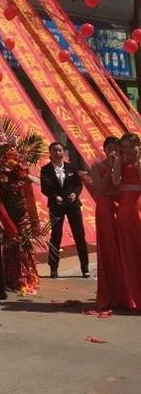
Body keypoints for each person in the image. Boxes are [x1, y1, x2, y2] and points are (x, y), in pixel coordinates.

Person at [39, 141, 89, 278]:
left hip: (73, 205)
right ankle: (53, 268)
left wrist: (75, 194)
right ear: (50, 153)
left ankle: (85, 267)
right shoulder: (46, 170)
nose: (57, 153)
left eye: (60, 150)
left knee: (79, 235)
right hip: (56, 206)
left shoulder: (71, 167)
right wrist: (54, 196)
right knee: (56, 236)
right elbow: (45, 188)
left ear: (64, 152)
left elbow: (78, 185)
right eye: (54, 150)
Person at [89, 136, 126, 309]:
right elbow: (100, 189)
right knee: (109, 249)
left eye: (115, 149)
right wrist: (110, 168)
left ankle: (127, 293)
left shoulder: (125, 165)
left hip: (123, 207)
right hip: (105, 209)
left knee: (125, 248)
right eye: (109, 149)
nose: (112, 152)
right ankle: (111, 294)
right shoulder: (97, 167)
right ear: (104, 150)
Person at [113, 133, 141, 310]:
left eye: (131, 147)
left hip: (139, 205)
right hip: (125, 208)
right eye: (124, 147)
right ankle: (132, 297)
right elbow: (116, 182)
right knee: (129, 251)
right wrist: (117, 163)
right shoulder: (121, 163)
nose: (127, 151)